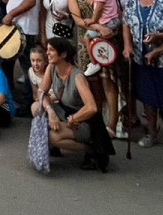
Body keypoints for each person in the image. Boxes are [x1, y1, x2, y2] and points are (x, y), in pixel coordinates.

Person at [36, 36, 115, 170]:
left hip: (84, 120)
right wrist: (51, 113)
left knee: (53, 136)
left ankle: (91, 147)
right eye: (47, 49)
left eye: (51, 50)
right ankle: (53, 144)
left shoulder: (77, 77)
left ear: (63, 54)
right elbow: (41, 93)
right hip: (64, 110)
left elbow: (92, 107)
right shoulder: (52, 67)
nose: (47, 53)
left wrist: (74, 118)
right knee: (36, 108)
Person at [122, 0, 163, 147]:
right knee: (148, 98)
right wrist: (127, 46)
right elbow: (126, 23)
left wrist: (160, 36)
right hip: (139, 56)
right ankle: (152, 132)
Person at [0, 0, 43, 112]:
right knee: (8, 61)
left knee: (26, 67)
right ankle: (11, 96)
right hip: (17, 28)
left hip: (24, 28)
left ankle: (26, 103)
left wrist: (11, 14)